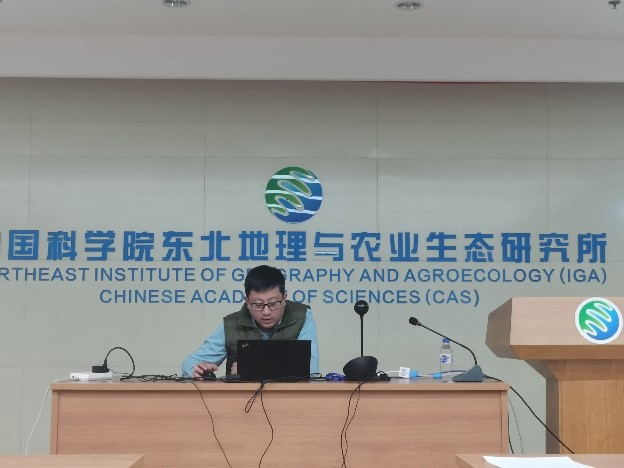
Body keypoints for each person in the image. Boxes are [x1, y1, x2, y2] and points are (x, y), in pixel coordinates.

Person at [182, 265, 319, 378]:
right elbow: (189, 362)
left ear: (284, 298)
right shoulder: (231, 324)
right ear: (247, 301)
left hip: (290, 399)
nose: (266, 312)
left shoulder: (302, 316)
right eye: (258, 305)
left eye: (273, 304)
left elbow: (310, 370)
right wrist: (195, 370)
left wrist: (250, 369)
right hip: (241, 400)